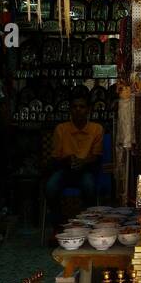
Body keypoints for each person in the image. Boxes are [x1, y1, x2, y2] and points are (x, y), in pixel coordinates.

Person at [46, 89, 105, 223]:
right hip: (65, 170)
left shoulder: (97, 129)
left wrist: (83, 162)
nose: (78, 110)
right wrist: (67, 160)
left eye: (82, 107)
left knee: (89, 186)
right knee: (50, 187)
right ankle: (58, 224)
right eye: (74, 107)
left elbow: (96, 156)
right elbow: (55, 157)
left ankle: (87, 223)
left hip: (86, 170)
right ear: (70, 110)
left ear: (88, 110)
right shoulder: (61, 129)